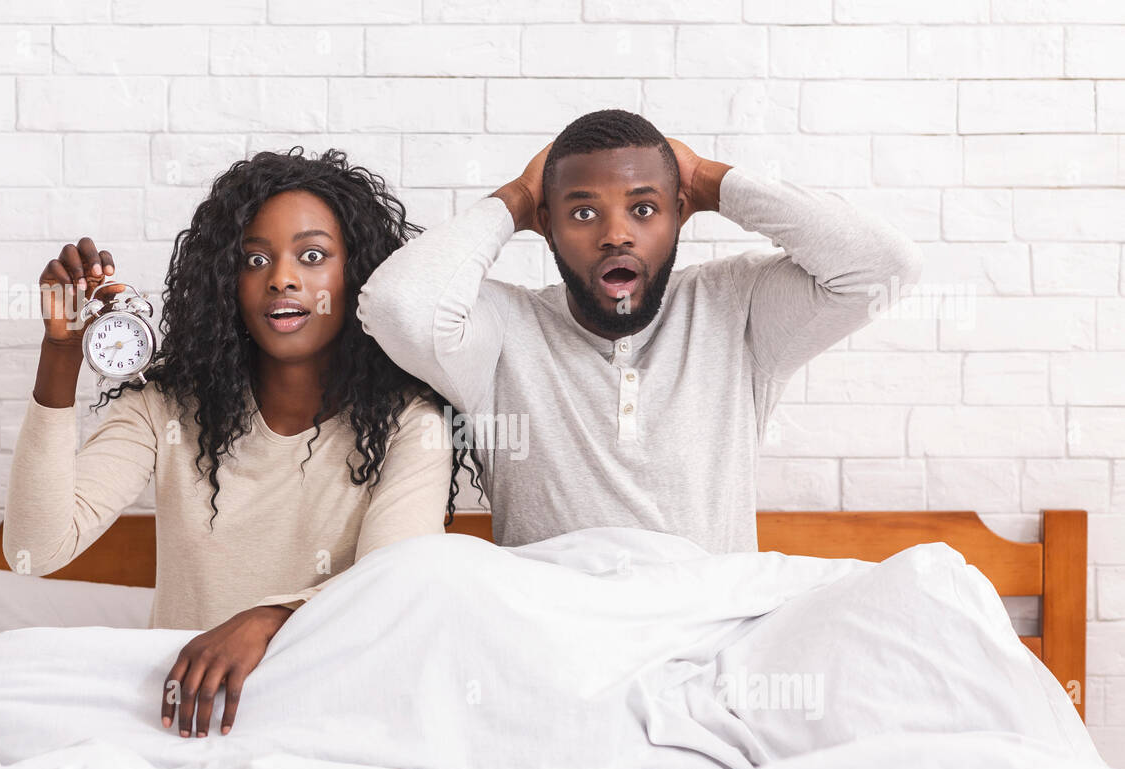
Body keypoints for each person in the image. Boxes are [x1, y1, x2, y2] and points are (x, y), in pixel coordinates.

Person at [3, 148, 480, 738]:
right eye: (255, 258)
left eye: (312, 256)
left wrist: (269, 618)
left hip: (332, 719)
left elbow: (391, 586)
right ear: (227, 282)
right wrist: (61, 353)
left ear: (356, 274)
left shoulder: (411, 424)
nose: (282, 277)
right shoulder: (164, 408)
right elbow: (36, 548)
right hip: (184, 727)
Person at [357, 109, 923, 553]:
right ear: (546, 228)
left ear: (681, 212)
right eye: (582, 213)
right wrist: (518, 198)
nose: (615, 235)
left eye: (644, 209)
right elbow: (397, 307)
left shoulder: (736, 308)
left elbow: (884, 267)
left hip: (707, 648)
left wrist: (709, 179)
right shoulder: (505, 330)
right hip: (553, 652)